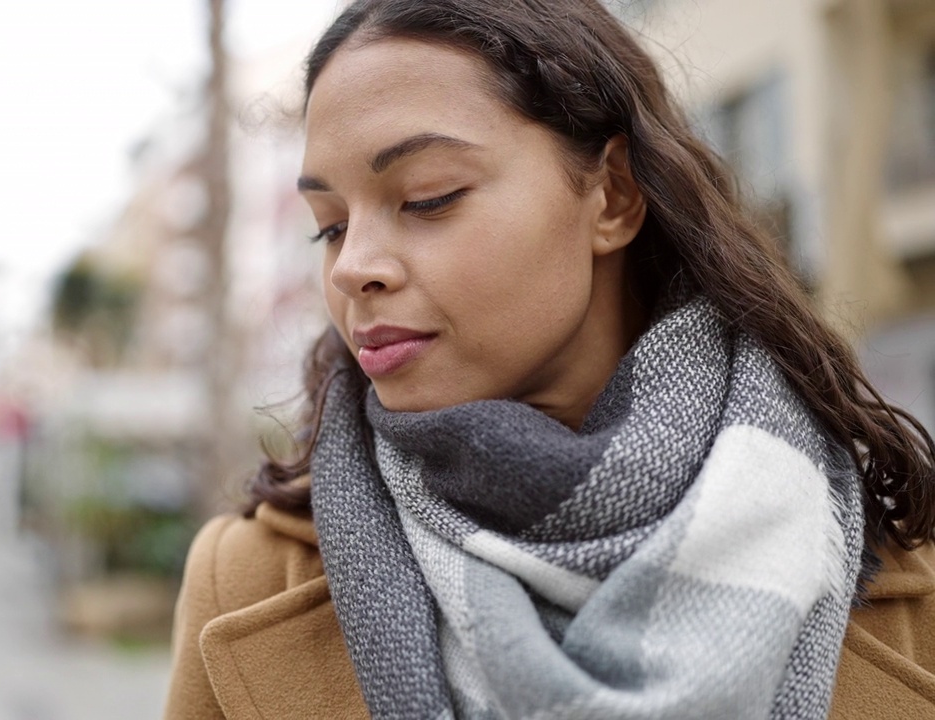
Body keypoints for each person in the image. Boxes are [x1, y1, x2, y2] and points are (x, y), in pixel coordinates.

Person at [164, 0, 935, 717]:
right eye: (327, 226)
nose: (350, 267)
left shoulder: (907, 579)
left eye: (428, 198)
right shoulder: (244, 580)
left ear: (613, 197)